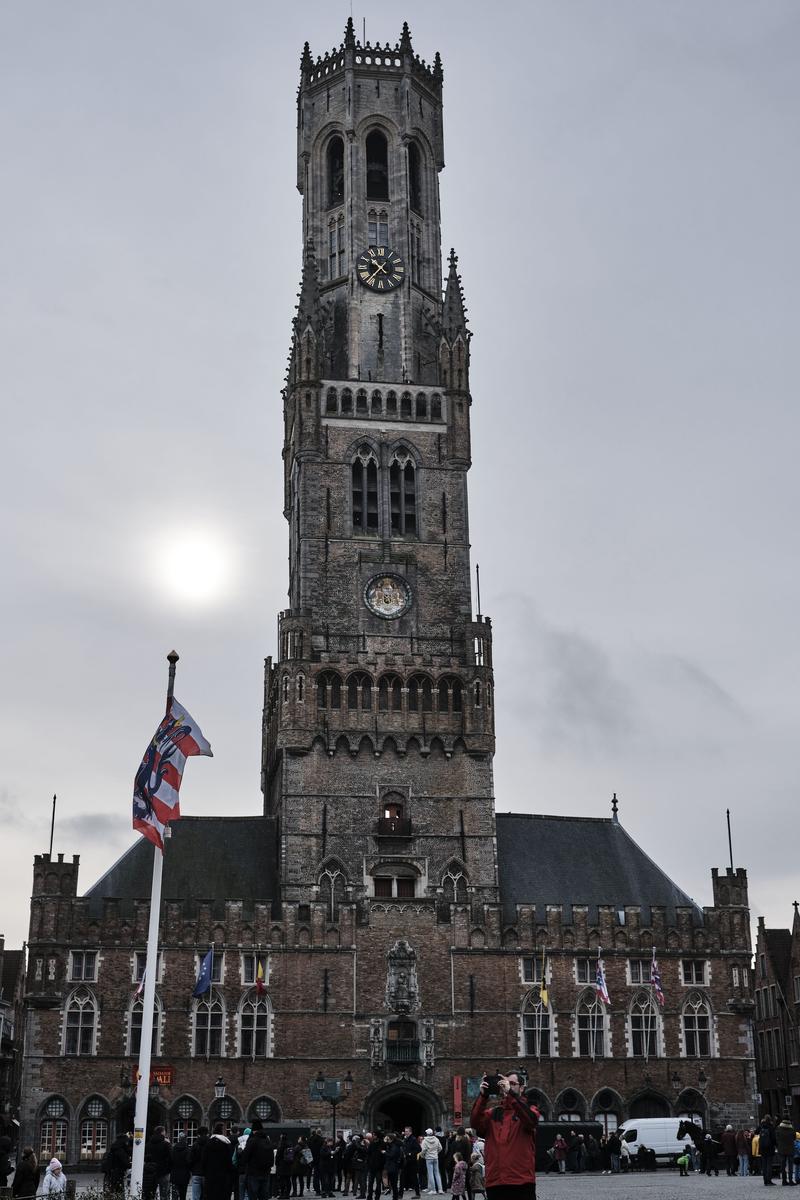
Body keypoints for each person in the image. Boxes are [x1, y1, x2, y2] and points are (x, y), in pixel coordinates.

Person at [470, 1072, 539, 1200]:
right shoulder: (493, 1113)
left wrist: (512, 1096)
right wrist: (483, 1096)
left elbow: (531, 1121)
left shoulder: (529, 1109)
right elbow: (475, 1122)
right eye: (505, 1083)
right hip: (496, 1181)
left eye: (512, 1084)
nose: (508, 1086)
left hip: (521, 1181)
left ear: (522, 1088)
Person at [240, 1119, 274, 1200]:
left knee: (253, 1195)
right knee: (264, 1195)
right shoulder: (267, 1140)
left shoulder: (252, 1140)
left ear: (254, 1130)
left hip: (253, 1173)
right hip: (265, 1173)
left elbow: (245, 1156)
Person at [204, 1121, 236, 1200]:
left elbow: (204, 1160)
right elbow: (229, 1160)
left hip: (210, 1175)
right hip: (223, 1176)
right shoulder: (226, 1143)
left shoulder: (208, 1143)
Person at [146, 1125, 174, 1200]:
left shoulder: (148, 1144)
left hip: (151, 1172)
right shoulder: (166, 1144)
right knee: (164, 1195)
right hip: (164, 1171)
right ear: (162, 1132)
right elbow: (171, 1157)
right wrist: (169, 1169)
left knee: (151, 1194)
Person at [190, 1126, 210, 1200]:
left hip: (196, 1173)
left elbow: (190, 1159)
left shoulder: (195, 1144)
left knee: (196, 1197)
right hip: (207, 1173)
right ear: (207, 1134)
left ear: (198, 1134)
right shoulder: (210, 1144)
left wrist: (192, 1170)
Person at [420, 1130, 443, 1195]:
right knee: (437, 1173)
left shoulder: (425, 1141)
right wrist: (436, 1153)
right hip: (435, 1157)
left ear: (426, 1133)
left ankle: (433, 1189)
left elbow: (423, 1150)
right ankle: (440, 1189)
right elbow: (440, 1148)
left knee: (430, 1174)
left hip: (428, 1158)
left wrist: (422, 1155)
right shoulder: (436, 1139)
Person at [401, 1127, 420, 1199]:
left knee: (414, 1178)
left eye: (407, 1131)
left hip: (412, 1162)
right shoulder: (406, 1139)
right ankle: (400, 1195)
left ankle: (417, 1194)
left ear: (410, 1132)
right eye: (405, 1131)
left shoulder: (413, 1139)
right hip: (406, 1161)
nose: (406, 1132)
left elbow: (419, 1149)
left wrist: (410, 1154)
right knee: (402, 1177)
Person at [776, 1119, 796, 1186]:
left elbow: (777, 1138)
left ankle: (784, 1181)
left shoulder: (779, 1129)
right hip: (790, 1149)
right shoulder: (792, 1129)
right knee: (790, 1166)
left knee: (783, 1165)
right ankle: (790, 1180)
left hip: (781, 1150)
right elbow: (794, 1138)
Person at [172, 1135, 192, 1200]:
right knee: (183, 1195)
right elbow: (189, 1162)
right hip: (184, 1174)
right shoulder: (187, 1149)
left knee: (174, 1195)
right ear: (185, 1140)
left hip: (174, 1174)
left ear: (179, 1139)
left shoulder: (173, 1148)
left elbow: (170, 1160)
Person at [760, 1116, 777, 1186]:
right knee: (769, 1165)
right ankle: (769, 1180)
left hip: (762, 1149)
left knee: (764, 1165)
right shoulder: (771, 1127)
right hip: (769, 1148)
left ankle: (765, 1180)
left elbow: (756, 1132)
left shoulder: (761, 1127)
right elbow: (773, 1139)